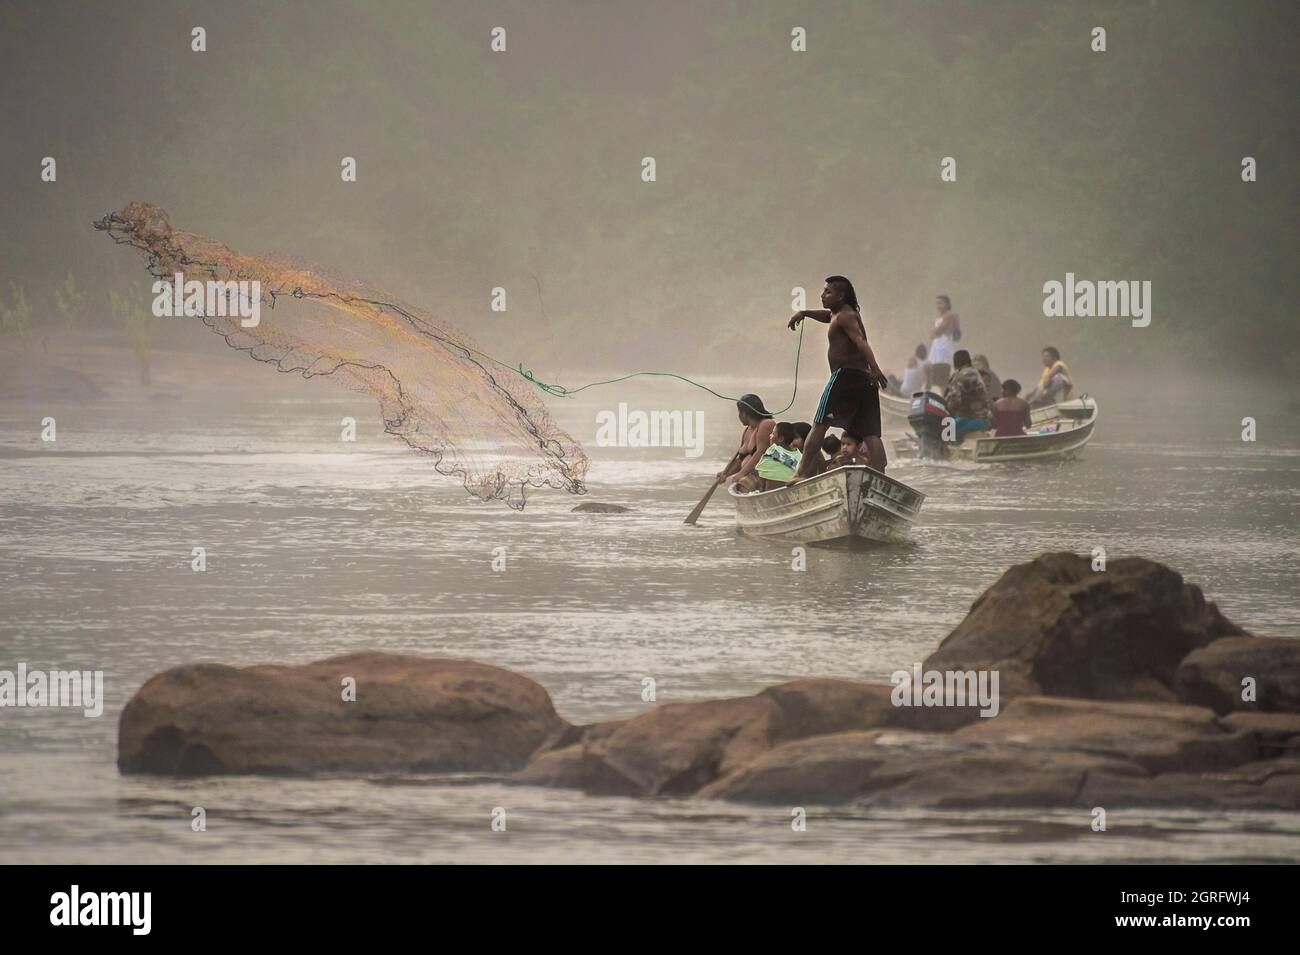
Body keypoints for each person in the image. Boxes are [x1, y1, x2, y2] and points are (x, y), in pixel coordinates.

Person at [786, 275, 889, 477]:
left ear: (841, 296)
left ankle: (801, 473)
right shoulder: (839, 314)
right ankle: (880, 476)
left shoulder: (845, 316)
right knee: (870, 433)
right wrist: (804, 313)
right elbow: (828, 316)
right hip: (863, 378)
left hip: (845, 376)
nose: (822, 295)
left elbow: (860, 342)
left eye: (828, 292)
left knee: (819, 424)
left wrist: (875, 367)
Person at [716, 393, 775, 489]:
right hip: (751, 475)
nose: (739, 416)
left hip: (767, 476)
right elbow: (741, 459)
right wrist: (726, 474)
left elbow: (761, 452)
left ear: (744, 413)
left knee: (742, 483)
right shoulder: (747, 430)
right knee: (740, 483)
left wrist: (741, 474)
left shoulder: (766, 424)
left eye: (739, 412)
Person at [942, 349, 992, 441]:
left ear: (955, 362)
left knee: (946, 432)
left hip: (975, 419)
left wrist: (943, 411)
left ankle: (950, 453)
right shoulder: (973, 372)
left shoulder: (962, 375)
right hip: (981, 417)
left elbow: (954, 401)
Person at [739, 421, 803, 491]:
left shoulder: (770, 453)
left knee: (744, 483)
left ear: (780, 439)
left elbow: (762, 481)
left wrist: (761, 489)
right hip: (793, 491)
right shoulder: (799, 455)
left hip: (771, 493)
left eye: (773, 433)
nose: (770, 435)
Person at [927, 295, 961, 389]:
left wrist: (933, 332)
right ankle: (937, 391)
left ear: (947, 304)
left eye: (940, 303)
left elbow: (940, 329)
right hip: (937, 344)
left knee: (941, 371)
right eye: (937, 303)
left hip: (943, 344)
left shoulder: (950, 315)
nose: (938, 305)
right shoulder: (940, 316)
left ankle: (944, 393)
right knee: (933, 369)